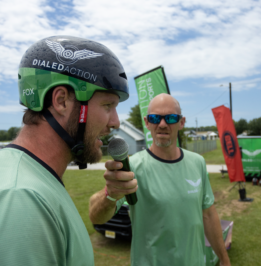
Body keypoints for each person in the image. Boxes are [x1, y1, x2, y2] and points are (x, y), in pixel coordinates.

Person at [0, 35, 129, 265]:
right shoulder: (19, 200)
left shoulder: (32, 179)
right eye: (107, 105)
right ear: (61, 101)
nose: (116, 122)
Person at [89, 93, 231, 266]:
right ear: (147, 122)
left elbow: (208, 214)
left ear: (181, 122)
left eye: (171, 118)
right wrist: (109, 195)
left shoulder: (198, 162)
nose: (162, 124)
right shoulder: (132, 167)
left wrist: (224, 259)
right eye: (155, 118)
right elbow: (97, 217)